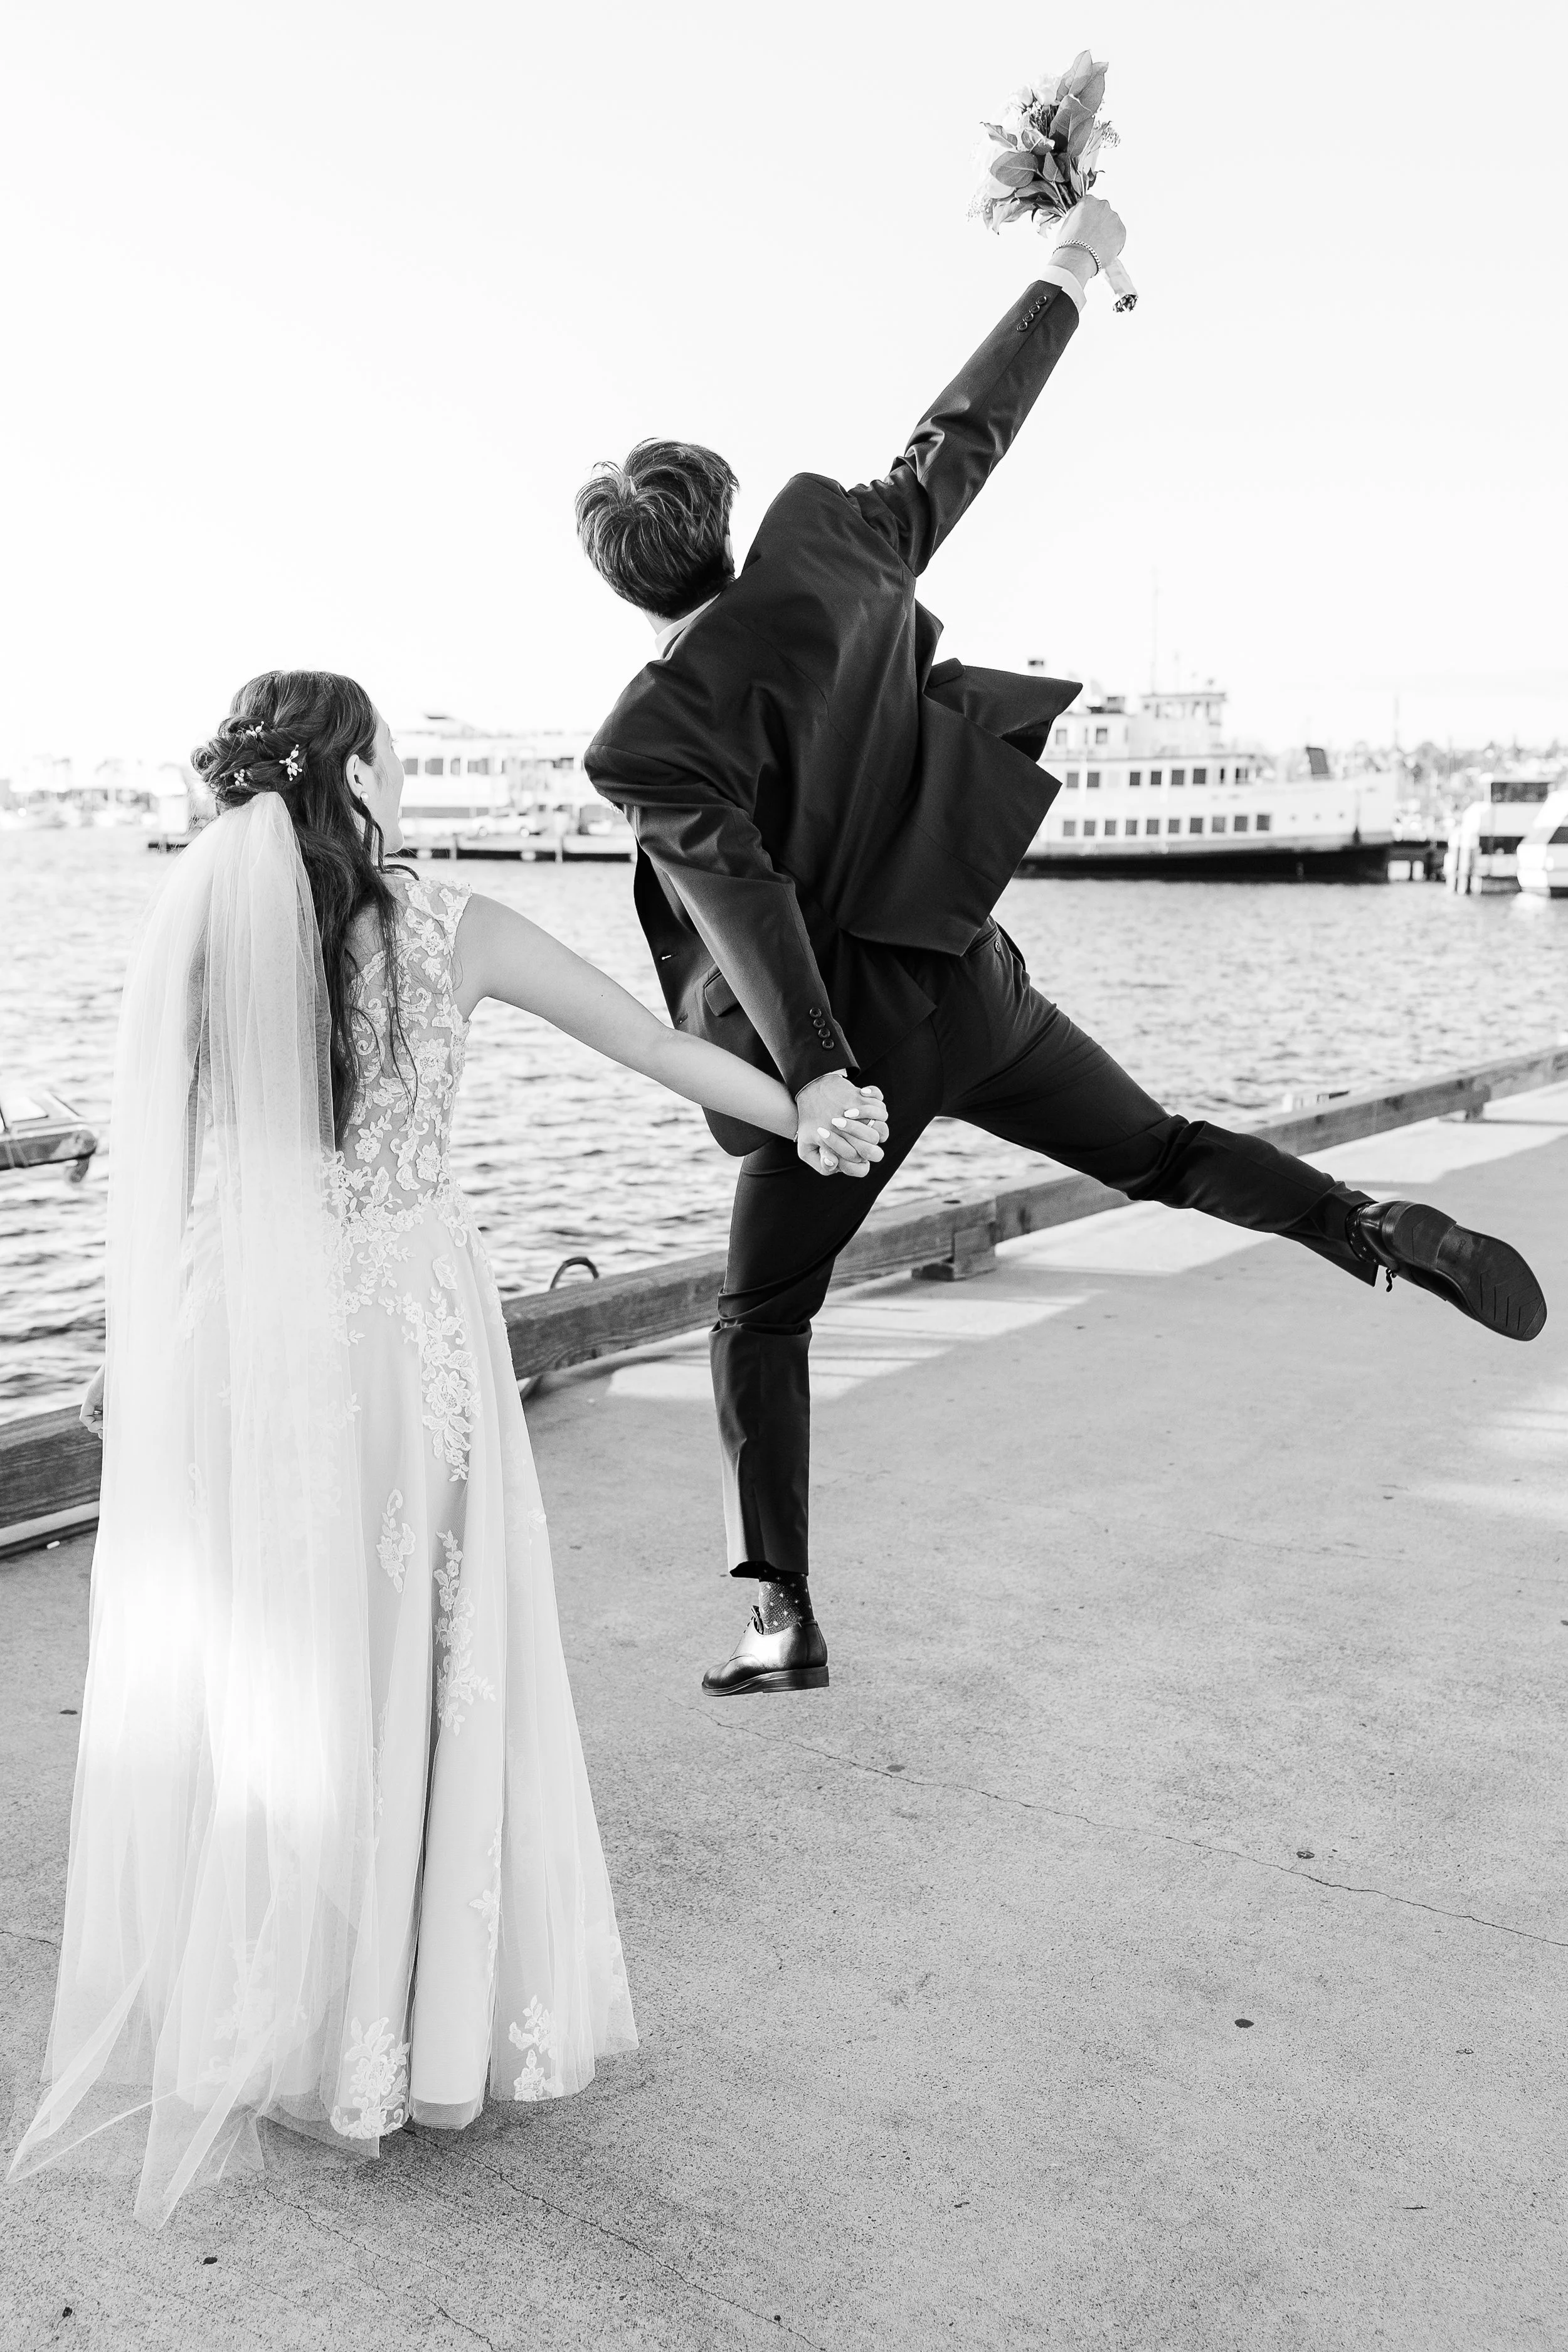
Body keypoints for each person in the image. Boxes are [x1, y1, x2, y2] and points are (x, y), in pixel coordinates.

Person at [575, 197, 1548, 1699]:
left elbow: (742, 893)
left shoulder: (646, 734)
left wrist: (822, 1078)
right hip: (973, 982)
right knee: (1159, 1150)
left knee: (759, 1313)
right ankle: (1363, 1225)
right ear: (719, 508)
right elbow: (962, 435)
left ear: (626, 582)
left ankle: (777, 1614)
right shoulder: (832, 539)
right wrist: (1067, 269)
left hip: (848, 1054)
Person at [9, 669, 882, 2228]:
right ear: (352, 775)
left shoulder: (210, 937)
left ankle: (281, 2007)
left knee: (282, 1668)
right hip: (411, 1336)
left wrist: (133, 1356)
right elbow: (657, 1049)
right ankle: (400, 2029)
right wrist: (803, 1110)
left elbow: (178, 1175)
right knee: (428, 1665)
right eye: (395, 757)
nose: (405, 781)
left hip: (244, 1338)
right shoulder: (453, 928)